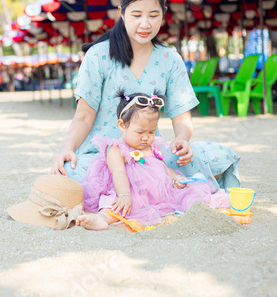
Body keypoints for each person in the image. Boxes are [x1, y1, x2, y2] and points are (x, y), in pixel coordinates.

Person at [51, 0, 240, 195]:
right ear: (122, 13)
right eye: (136, 15)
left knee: (217, 153)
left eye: (153, 15)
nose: (145, 24)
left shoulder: (170, 59)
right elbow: (84, 115)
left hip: (150, 156)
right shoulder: (98, 56)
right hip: (102, 158)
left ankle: (141, 188)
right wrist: (67, 149)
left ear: (163, 13)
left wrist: (181, 140)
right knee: (70, 170)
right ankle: (151, 189)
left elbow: (182, 119)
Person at [75, 91, 229, 230]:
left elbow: (162, 167)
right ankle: (101, 219)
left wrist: (175, 178)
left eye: (151, 131)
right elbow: (118, 173)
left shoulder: (152, 147)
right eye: (140, 132)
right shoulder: (116, 148)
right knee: (114, 203)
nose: (146, 137)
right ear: (122, 125)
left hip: (154, 192)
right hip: (125, 190)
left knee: (187, 193)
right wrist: (124, 195)